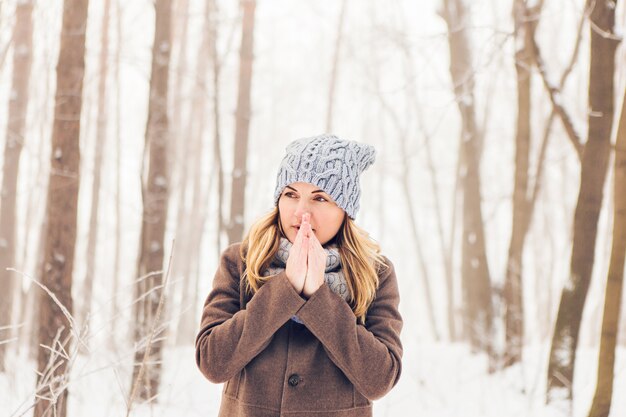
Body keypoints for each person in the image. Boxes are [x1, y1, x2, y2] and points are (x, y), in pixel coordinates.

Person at [195, 134, 403, 417]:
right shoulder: (241, 261)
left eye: (320, 198)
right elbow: (213, 362)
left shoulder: (376, 273)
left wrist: (319, 298)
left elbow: (379, 379)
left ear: (345, 211)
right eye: (291, 194)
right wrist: (285, 290)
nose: (301, 211)